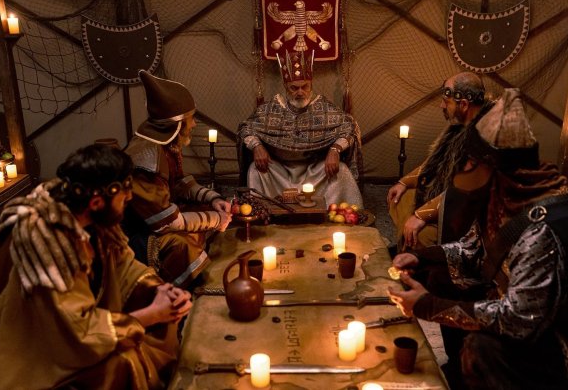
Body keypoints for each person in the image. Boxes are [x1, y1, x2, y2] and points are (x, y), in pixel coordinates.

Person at [0, 144, 193, 390]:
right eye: (123, 198)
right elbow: (76, 332)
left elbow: (121, 264)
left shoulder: (90, 215)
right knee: (122, 363)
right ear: (96, 202)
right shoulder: (49, 245)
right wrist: (152, 314)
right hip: (40, 351)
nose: (129, 199)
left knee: (157, 316)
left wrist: (158, 290)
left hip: (77, 330)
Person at [388, 89, 568, 390]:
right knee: (439, 276)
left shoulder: (540, 230)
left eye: (473, 163)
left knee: (482, 348)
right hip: (507, 303)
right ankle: (458, 371)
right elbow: (471, 249)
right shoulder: (499, 198)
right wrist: (420, 257)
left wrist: (430, 306)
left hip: (547, 341)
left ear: (495, 167)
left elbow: (519, 318)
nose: (466, 170)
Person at [123, 70, 232, 289]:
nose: (194, 124)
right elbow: (167, 222)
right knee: (183, 244)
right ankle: (179, 294)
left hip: (160, 219)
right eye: (191, 119)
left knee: (201, 211)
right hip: (138, 234)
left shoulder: (166, 145)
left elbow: (180, 183)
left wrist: (213, 199)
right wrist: (215, 219)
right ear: (177, 124)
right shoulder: (147, 162)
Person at [237, 50, 364, 208]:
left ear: (311, 85)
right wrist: (257, 146)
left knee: (342, 170)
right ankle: (264, 212)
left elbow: (350, 126)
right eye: (294, 88)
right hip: (279, 170)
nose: (300, 92)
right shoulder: (271, 108)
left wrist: (335, 149)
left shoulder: (323, 107)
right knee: (255, 170)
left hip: (315, 171)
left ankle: (334, 212)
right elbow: (246, 127)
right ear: (285, 86)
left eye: (305, 87)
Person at [387, 72, 494, 250]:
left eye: (446, 101)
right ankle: (405, 244)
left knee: (421, 235)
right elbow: (434, 165)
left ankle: (416, 252)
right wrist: (404, 182)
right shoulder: (461, 125)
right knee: (400, 198)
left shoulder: (486, 137)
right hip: (448, 195)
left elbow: (461, 192)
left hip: (469, 215)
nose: (441, 105)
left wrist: (421, 215)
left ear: (464, 104)